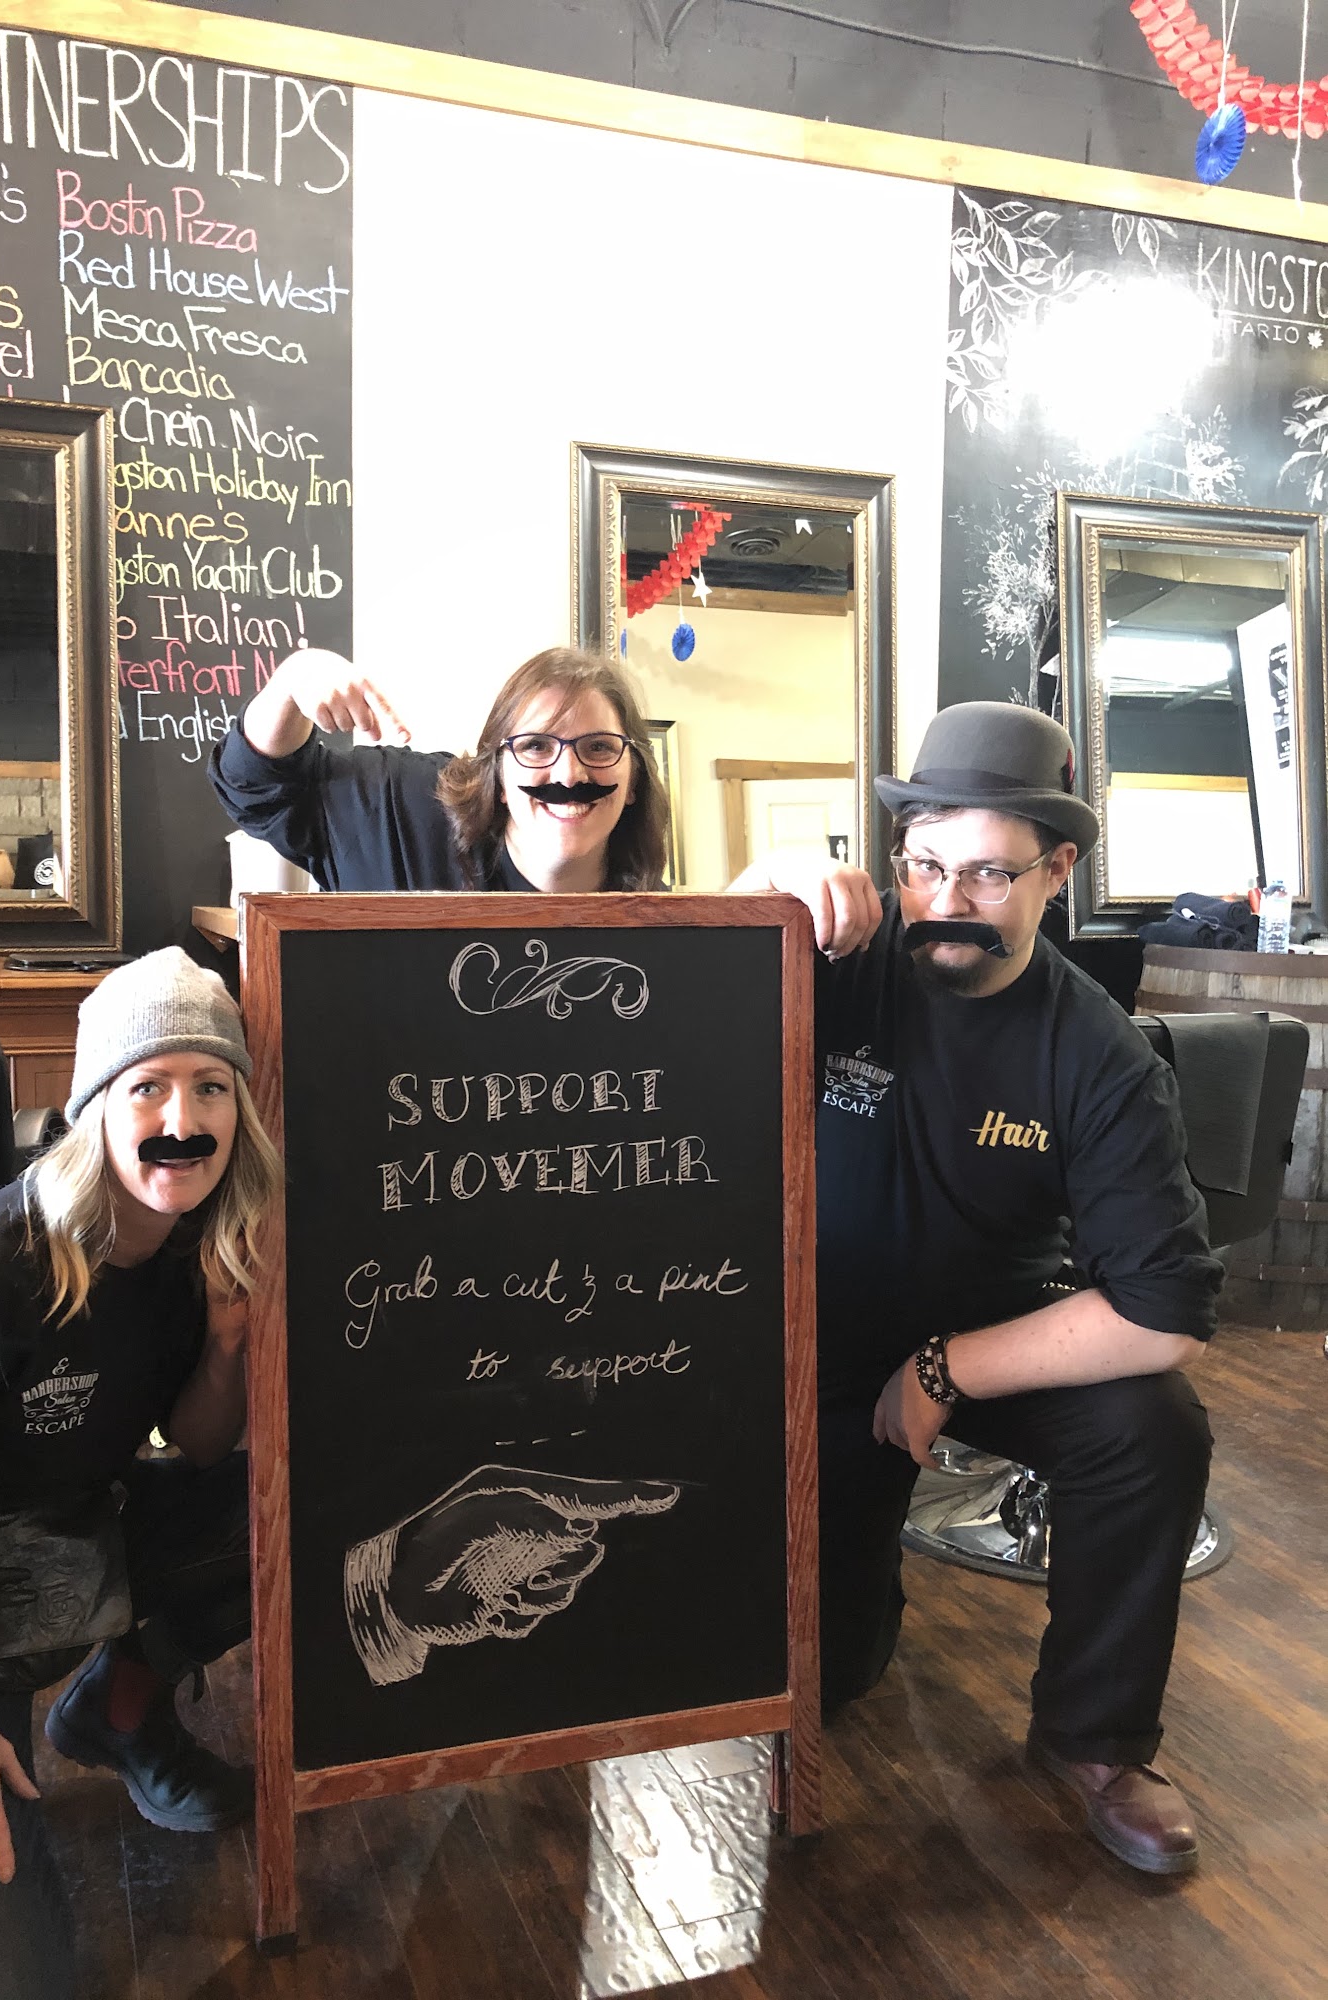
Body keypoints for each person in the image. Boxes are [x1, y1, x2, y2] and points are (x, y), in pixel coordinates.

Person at [735, 701, 1219, 1877]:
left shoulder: (1099, 1052)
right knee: (833, 1673)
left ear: (1058, 870)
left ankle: (1098, 1738)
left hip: (992, 1333)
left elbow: (1163, 1308)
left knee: (1152, 1426)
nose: (947, 899)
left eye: (990, 872)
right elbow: (683, 980)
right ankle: (861, 1601)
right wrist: (766, 885)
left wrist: (944, 1367)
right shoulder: (844, 967)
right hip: (820, 1341)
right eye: (925, 864)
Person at [0, 948, 283, 2000]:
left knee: (286, 1508)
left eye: (211, 1086)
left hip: (58, 1540)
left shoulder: (196, 1245)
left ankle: (116, 1711)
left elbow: (200, 1447)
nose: (183, 1117)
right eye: (149, 1085)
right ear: (94, 1108)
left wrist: (226, 1344)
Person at [208, 643, 669, 893]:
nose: (569, 775)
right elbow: (253, 785)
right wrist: (295, 677)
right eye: (534, 746)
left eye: (599, 747)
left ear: (634, 781)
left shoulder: (662, 933)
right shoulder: (399, 808)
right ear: (498, 777)